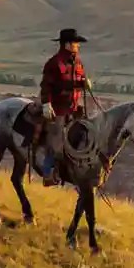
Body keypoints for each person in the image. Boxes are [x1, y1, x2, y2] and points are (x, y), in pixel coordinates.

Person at [38, 28, 92, 186]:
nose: (78, 46)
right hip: (58, 108)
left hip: (74, 108)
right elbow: (46, 86)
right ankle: (47, 174)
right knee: (56, 142)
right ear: (67, 44)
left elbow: (79, 79)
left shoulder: (78, 62)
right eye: (76, 43)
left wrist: (84, 83)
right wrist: (47, 104)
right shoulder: (54, 63)